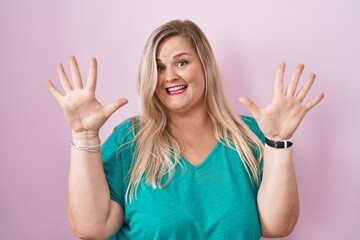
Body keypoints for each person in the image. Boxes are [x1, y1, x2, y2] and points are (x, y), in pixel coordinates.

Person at [45, 19, 324, 240]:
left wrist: (278, 141)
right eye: (158, 67)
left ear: (205, 66)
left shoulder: (249, 136)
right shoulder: (130, 140)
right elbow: (90, 228)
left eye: (181, 62)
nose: (170, 76)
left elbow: (277, 226)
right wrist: (84, 134)